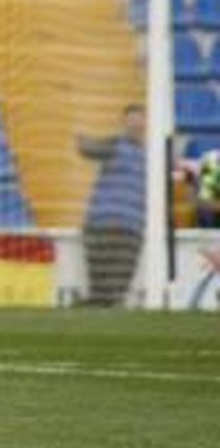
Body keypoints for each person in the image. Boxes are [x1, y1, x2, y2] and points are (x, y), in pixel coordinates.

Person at [76, 104, 147, 306]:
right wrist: (79, 135)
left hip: (131, 227)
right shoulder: (114, 145)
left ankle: (93, 312)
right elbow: (87, 149)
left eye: (138, 118)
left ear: (146, 123)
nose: (134, 123)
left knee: (118, 289)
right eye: (130, 119)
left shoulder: (154, 156)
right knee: (98, 286)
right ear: (123, 123)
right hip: (101, 224)